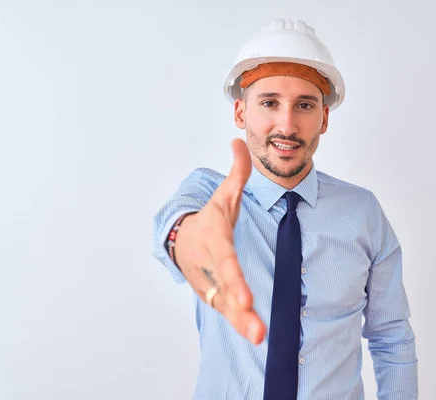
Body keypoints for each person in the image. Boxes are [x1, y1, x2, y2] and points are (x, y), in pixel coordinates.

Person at [152, 18, 418, 400]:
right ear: (241, 112)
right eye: (269, 102)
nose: (287, 124)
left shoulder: (363, 213)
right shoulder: (210, 192)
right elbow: (175, 228)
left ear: (324, 118)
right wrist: (188, 240)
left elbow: (392, 337)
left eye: (305, 105)